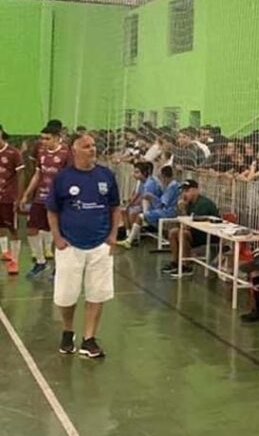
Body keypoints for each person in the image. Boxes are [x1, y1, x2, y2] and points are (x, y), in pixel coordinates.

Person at [46, 133, 121, 359]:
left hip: (100, 245)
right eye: (87, 146)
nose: (92, 149)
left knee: (97, 293)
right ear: (74, 150)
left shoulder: (106, 175)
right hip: (70, 246)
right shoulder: (63, 178)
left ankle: (89, 339)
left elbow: (115, 207)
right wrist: (57, 238)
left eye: (94, 145)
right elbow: (52, 210)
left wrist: (113, 235)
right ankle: (68, 331)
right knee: (66, 296)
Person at [19, 123, 69, 278]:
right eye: (42, 138)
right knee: (31, 229)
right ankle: (40, 262)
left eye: (47, 139)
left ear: (56, 138)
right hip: (40, 197)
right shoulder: (41, 152)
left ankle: (58, 267)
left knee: (57, 233)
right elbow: (37, 174)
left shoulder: (66, 153)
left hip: (58, 200)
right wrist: (27, 194)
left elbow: (70, 177)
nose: (43, 141)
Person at [162, 179, 220, 278]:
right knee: (173, 232)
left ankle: (186, 266)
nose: (184, 194)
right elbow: (183, 223)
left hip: (207, 233)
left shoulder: (203, 204)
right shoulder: (189, 203)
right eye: (183, 191)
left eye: (187, 191)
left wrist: (183, 211)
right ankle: (176, 262)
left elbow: (190, 224)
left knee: (182, 233)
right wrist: (181, 209)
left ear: (195, 190)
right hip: (195, 232)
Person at [119, 161, 162, 248]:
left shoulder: (150, 184)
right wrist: (128, 204)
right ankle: (128, 235)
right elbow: (137, 194)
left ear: (144, 173)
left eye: (137, 172)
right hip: (144, 205)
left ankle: (134, 238)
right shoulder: (141, 182)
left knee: (133, 212)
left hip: (153, 207)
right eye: (134, 172)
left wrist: (134, 206)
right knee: (124, 210)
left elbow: (147, 200)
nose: (134, 174)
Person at [0, 125, 24, 275]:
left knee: (13, 229)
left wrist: (19, 197)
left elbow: (21, 175)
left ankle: (14, 261)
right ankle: (4, 251)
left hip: (8, 197)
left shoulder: (13, 153)